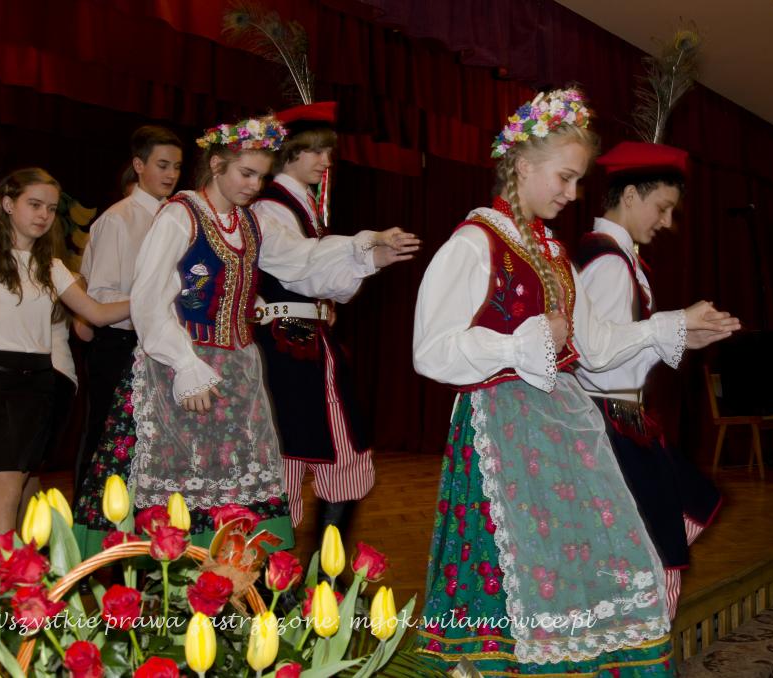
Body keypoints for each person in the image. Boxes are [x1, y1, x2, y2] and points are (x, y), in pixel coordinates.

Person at [412, 88, 733, 675]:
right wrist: (518, 345)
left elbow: (598, 344)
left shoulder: (553, 251)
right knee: (509, 572)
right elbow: (431, 351)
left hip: (559, 430)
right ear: (522, 165)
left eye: (578, 180)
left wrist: (674, 326)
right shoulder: (475, 242)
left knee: (574, 567)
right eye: (565, 177)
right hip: (499, 430)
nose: (573, 192)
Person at [71, 114, 408, 554]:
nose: (254, 185)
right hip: (182, 367)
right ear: (216, 166)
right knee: (181, 483)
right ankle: (171, 576)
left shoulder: (250, 223)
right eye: (246, 174)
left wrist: (365, 247)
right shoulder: (181, 215)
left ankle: (227, 578)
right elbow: (149, 299)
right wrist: (185, 364)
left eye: (261, 177)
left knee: (232, 485)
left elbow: (300, 258)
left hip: (238, 370)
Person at [574, 141, 739, 618]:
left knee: (667, 521)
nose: (666, 221)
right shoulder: (609, 263)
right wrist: (674, 324)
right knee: (653, 542)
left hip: (616, 414)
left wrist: (685, 334)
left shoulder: (613, 257)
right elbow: (597, 355)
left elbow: (618, 347)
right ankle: (636, 640)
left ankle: (631, 636)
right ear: (630, 195)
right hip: (609, 420)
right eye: (662, 207)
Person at [253, 101, 420, 539]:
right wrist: (363, 243)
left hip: (313, 345)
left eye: (328, 151)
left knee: (343, 450)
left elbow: (328, 285)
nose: (326, 161)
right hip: (282, 349)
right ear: (289, 151)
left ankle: (326, 568)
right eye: (315, 150)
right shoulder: (269, 209)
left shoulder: (303, 209)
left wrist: (373, 259)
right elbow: (297, 263)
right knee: (287, 450)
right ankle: (275, 568)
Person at [0, 168, 129, 540]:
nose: (44, 215)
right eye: (35, 204)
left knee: (9, 496)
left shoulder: (52, 267)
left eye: (51, 209)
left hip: (40, 384)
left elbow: (96, 314)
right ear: (8, 204)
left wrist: (152, 298)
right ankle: (6, 579)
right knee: (5, 496)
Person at [74, 126, 183, 497]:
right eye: (162, 165)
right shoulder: (118, 219)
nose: (170, 175)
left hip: (162, 344)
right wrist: (159, 301)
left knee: (151, 444)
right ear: (139, 165)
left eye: (177, 167)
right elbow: (101, 298)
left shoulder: (178, 218)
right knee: (106, 439)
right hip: (119, 342)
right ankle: (87, 520)